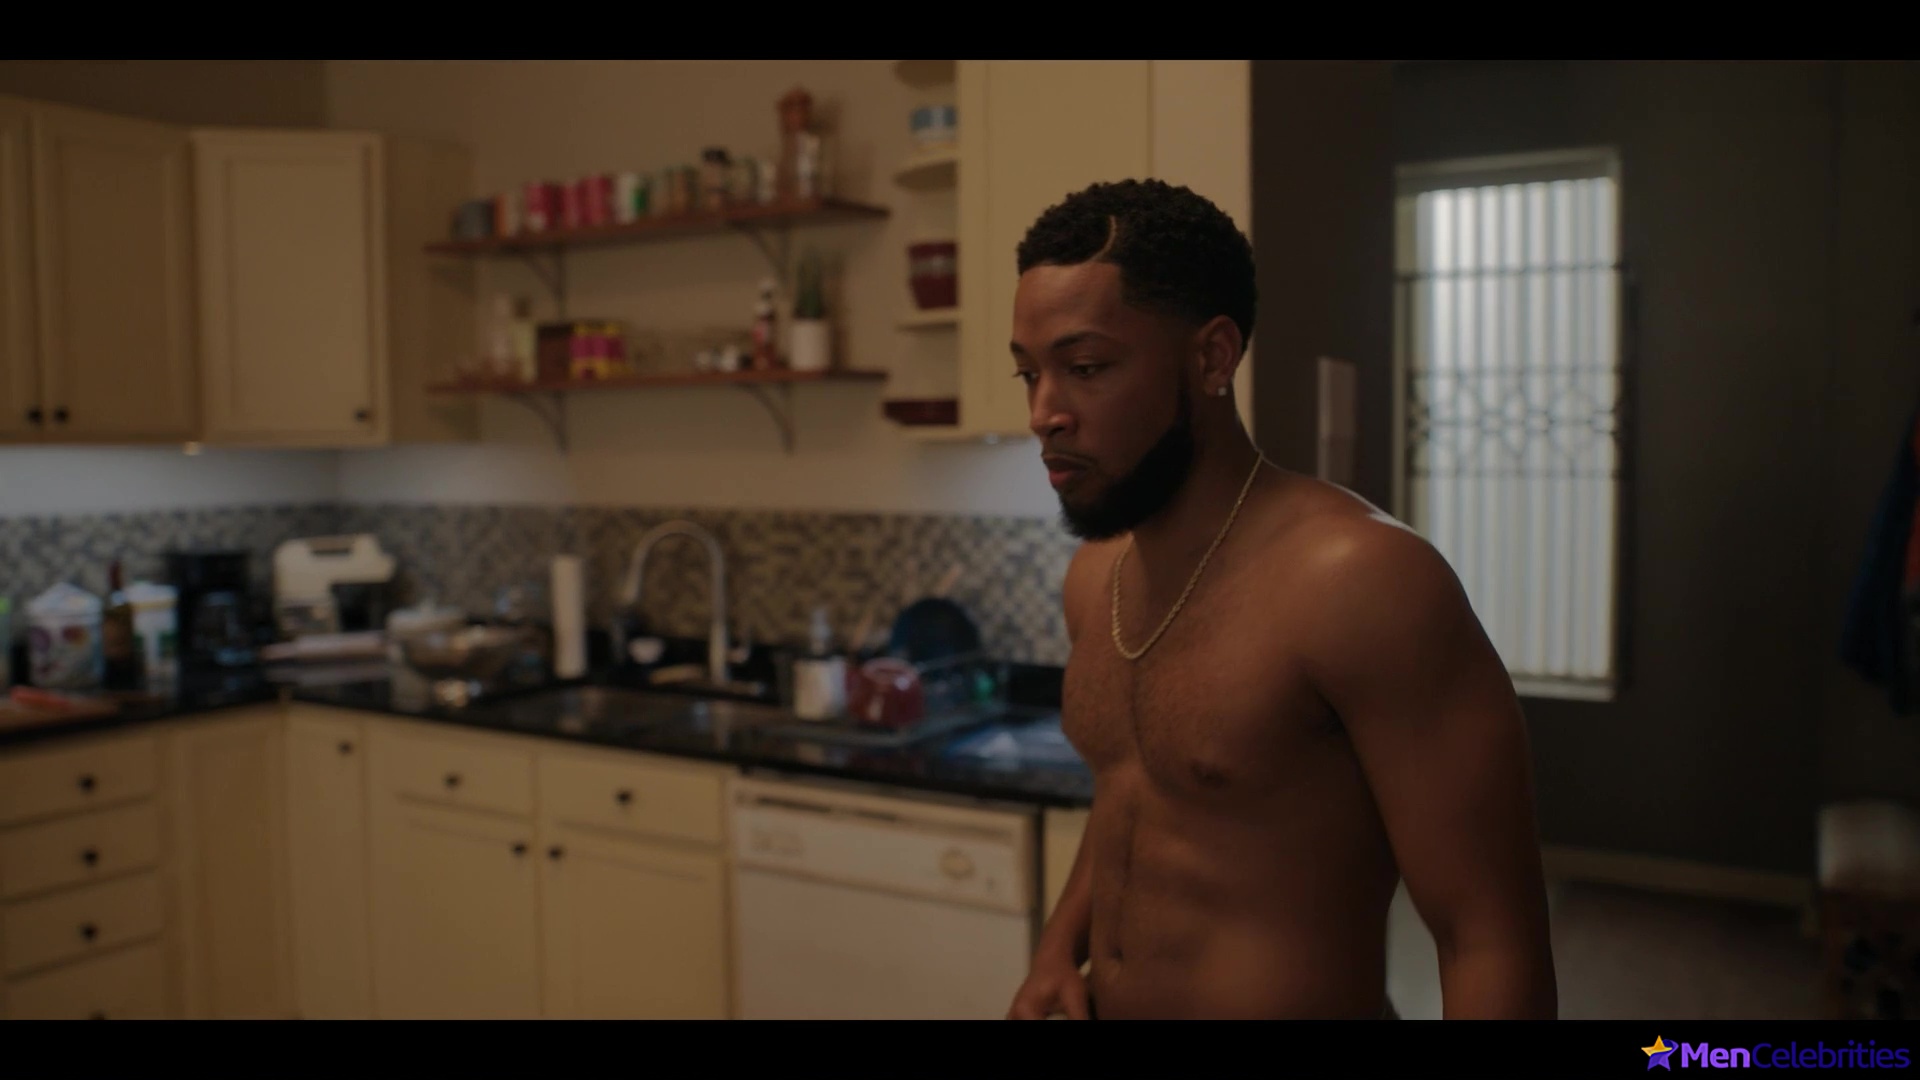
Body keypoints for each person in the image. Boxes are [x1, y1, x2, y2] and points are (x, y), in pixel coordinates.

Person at [1002, 179, 1558, 1021]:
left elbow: (1490, 939)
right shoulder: (1095, 579)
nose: (1044, 412)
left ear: (1212, 358)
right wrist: (1056, 950)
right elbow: (1133, 794)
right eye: (1029, 373)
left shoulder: (1360, 579)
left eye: (1084, 368)